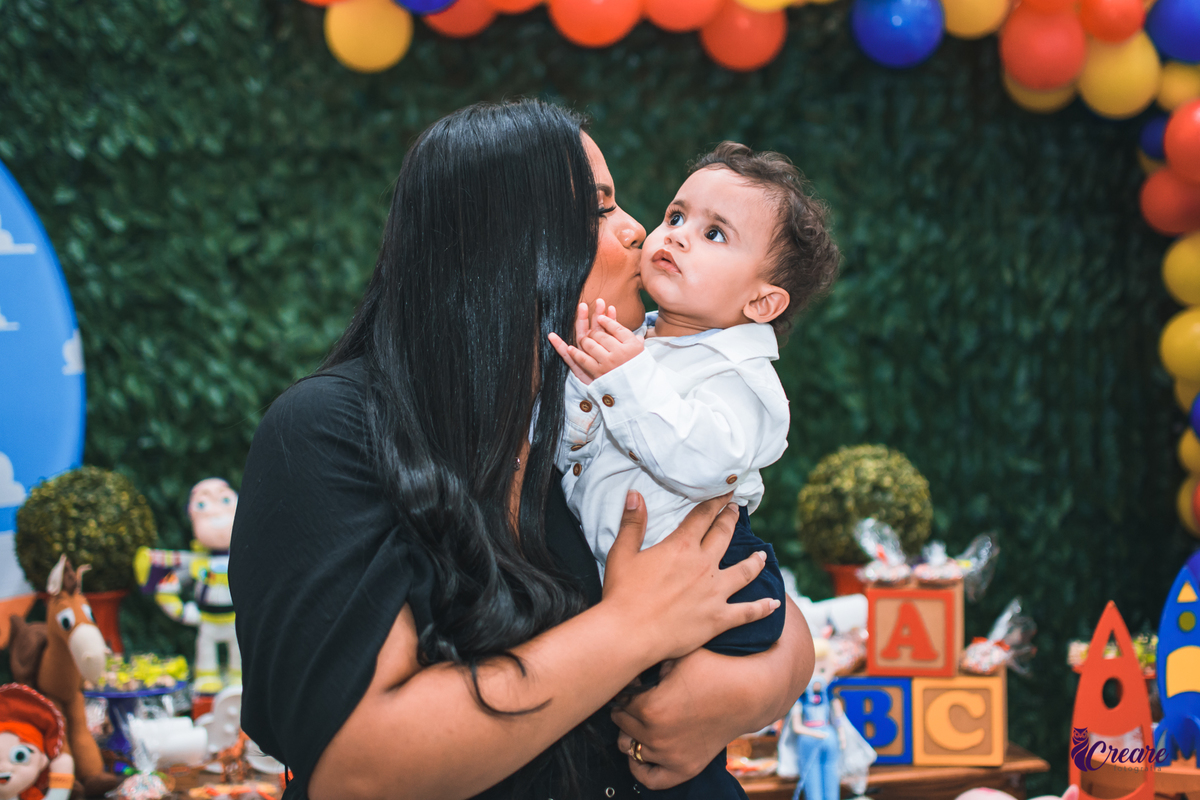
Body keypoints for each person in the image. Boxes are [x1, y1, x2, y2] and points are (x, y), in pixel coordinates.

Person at [229, 100, 815, 800]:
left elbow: (746, 586)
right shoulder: (330, 430)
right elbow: (359, 772)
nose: (640, 233)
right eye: (600, 211)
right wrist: (630, 630)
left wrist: (748, 687)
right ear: (507, 247)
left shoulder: (585, 410)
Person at [548, 143, 839, 798]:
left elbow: (702, 462)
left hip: (713, 579)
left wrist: (623, 376)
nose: (676, 236)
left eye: (714, 234)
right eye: (676, 215)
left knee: (675, 752)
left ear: (762, 303)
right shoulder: (641, 340)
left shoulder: (742, 378)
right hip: (633, 588)